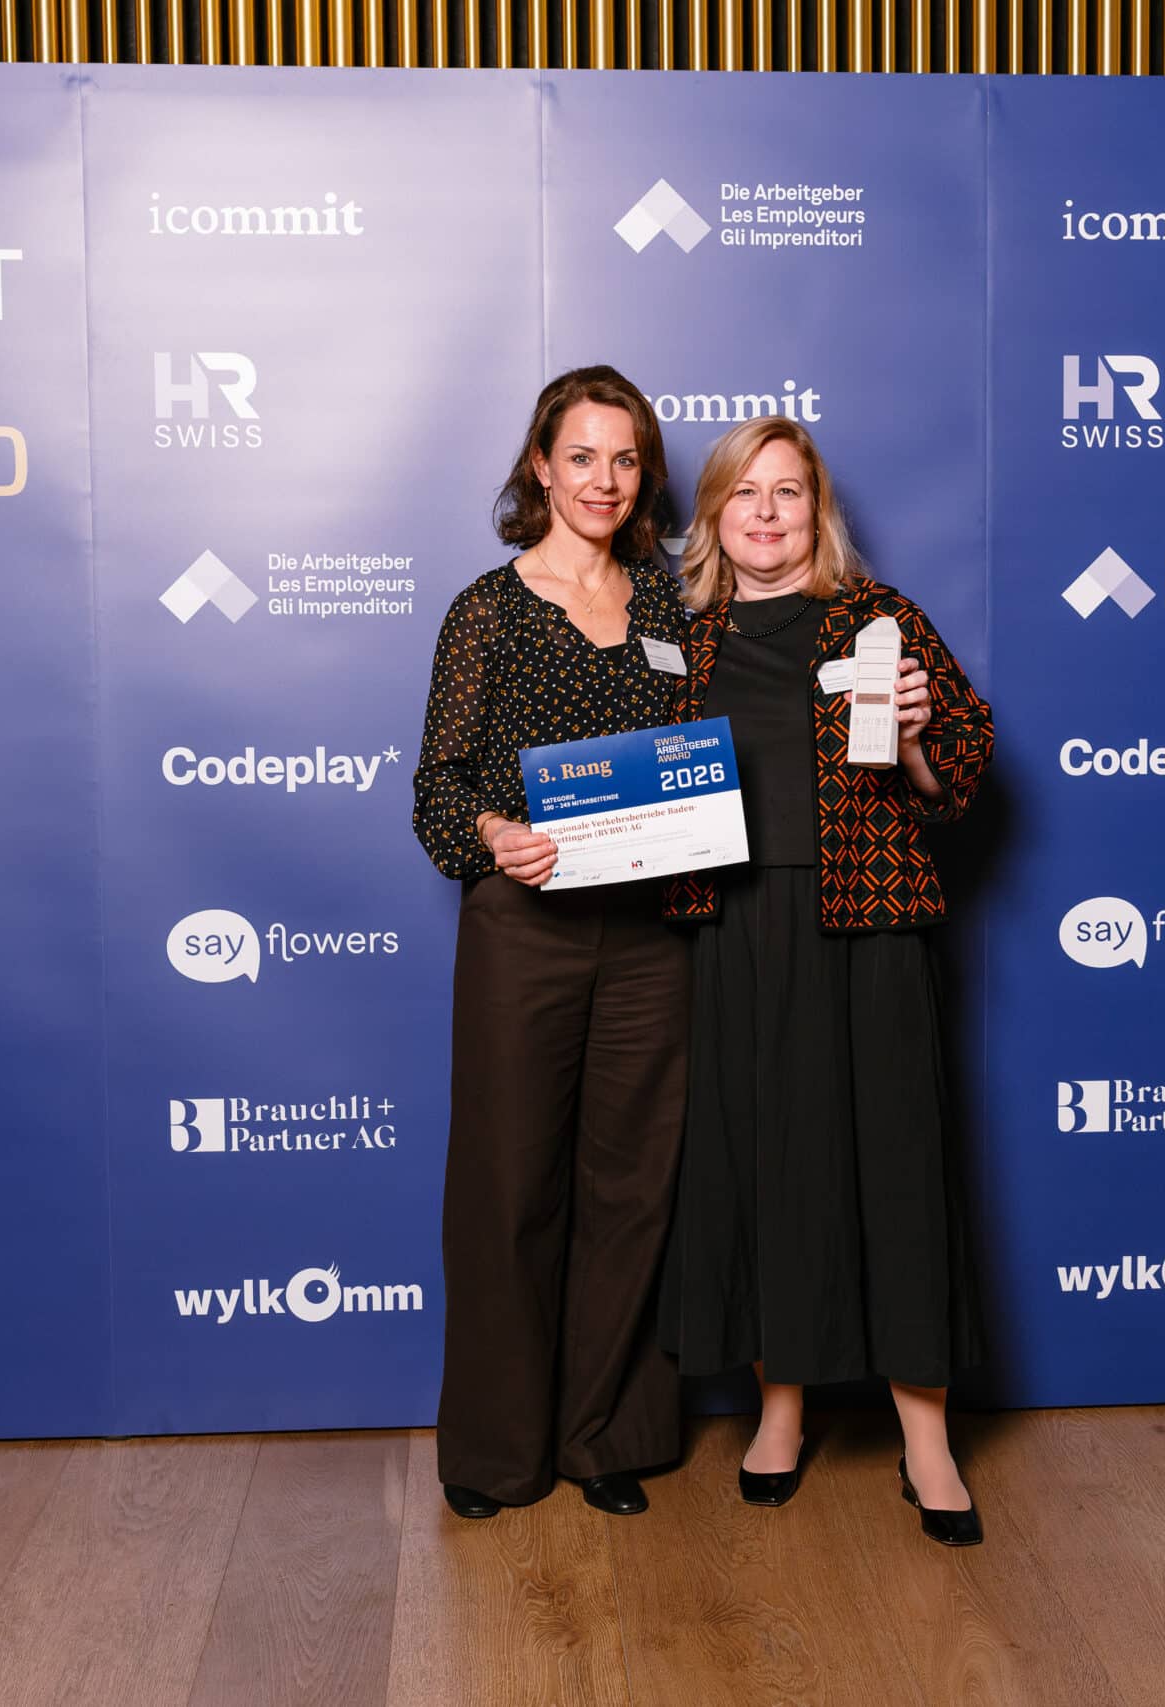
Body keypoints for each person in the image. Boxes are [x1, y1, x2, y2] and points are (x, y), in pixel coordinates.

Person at [656, 417, 995, 1547]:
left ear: (817, 511)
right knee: (767, 1166)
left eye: (788, 492)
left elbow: (964, 771)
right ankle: (780, 1411)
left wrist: (917, 738)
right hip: (737, 927)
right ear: (713, 516)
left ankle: (925, 1438)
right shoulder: (685, 642)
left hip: (871, 922)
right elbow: (643, 789)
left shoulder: (879, 618)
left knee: (897, 1167)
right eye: (743, 493)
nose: (766, 512)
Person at [411, 366, 693, 1520]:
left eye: (624, 460)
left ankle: (603, 1436)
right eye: (581, 457)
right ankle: (494, 1451)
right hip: (524, 928)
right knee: (507, 1185)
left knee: (633, 1189)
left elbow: (706, 756)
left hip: (652, 938)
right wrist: (490, 830)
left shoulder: (670, 606)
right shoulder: (488, 608)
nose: (603, 481)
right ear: (541, 465)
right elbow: (437, 786)